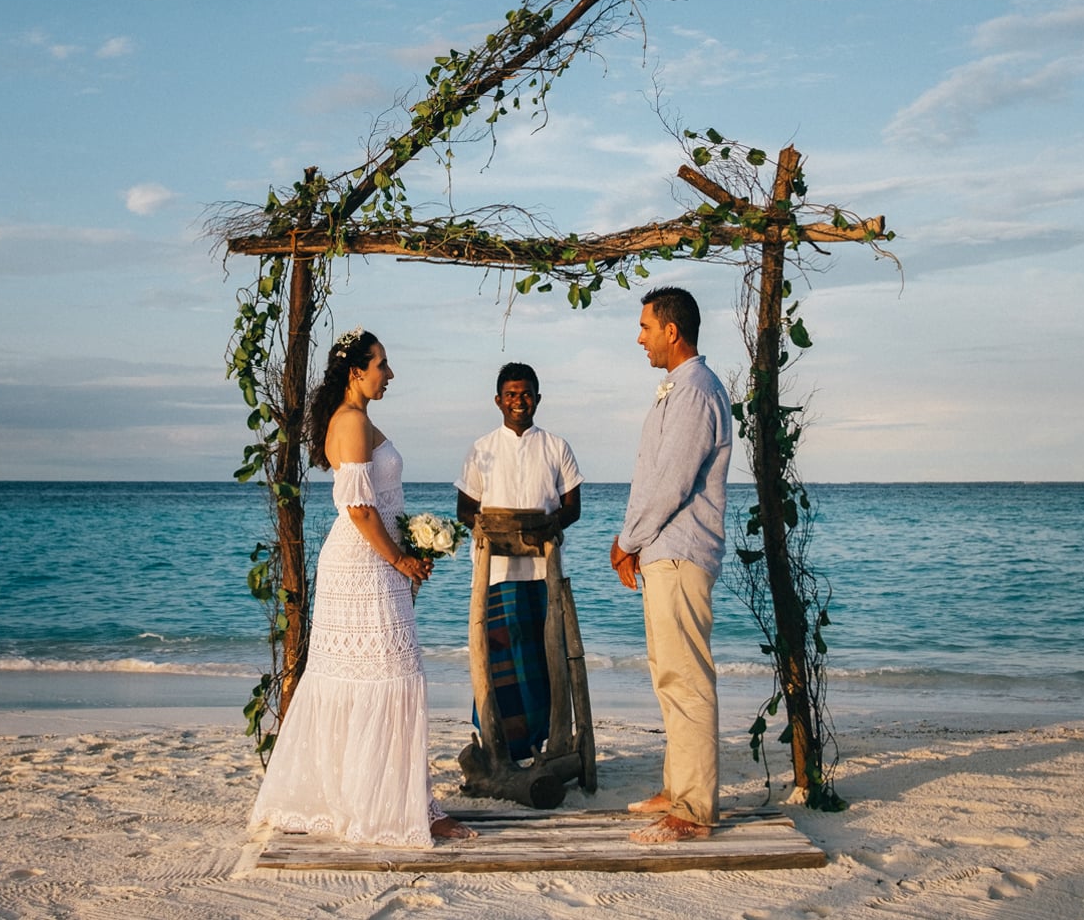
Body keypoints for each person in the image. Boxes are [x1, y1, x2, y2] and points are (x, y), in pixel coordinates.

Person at [249, 328, 474, 845]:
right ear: (356, 370)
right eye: (382, 365)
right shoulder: (349, 422)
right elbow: (358, 508)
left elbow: (379, 504)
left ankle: (393, 797)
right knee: (388, 675)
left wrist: (414, 545)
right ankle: (401, 806)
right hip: (364, 564)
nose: (389, 374)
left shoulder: (357, 419)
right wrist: (399, 557)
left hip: (376, 560)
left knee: (381, 676)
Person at [610, 287, 731, 844]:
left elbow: (673, 481)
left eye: (645, 327)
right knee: (668, 675)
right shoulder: (679, 390)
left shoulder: (696, 392)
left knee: (687, 678)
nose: (639, 338)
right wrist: (634, 542)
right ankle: (677, 787)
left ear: (671, 331)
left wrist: (627, 539)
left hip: (680, 550)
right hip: (664, 549)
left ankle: (695, 807)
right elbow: (652, 474)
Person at [454, 363, 583, 761]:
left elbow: (572, 507)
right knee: (499, 658)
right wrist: (496, 528)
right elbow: (465, 509)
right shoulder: (482, 448)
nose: (518, 402)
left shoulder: (556, 446)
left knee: (546, 657)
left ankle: (546, 741)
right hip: (497, 574)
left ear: (537, 399)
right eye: (510, 394)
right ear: (498, 401)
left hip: (544, 572)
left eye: (525, 394)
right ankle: (498, 743)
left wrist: (545, 528)